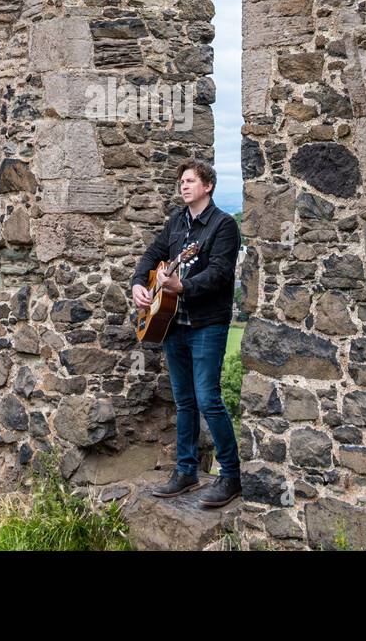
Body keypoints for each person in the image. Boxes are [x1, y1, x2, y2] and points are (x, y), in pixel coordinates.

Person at [131, 158, 242, 509]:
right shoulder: (177, 221)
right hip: (172, 324)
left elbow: (221, 274)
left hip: (207, 323)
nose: (183, 185)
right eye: (181, 181)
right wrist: (138, 282)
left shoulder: (223, 226)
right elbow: (153, 254)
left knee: (208, 398)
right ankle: (186, 471)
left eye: (190, 180)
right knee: (184, 402)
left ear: (207, 186)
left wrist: (183, 285)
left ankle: (231, 476)